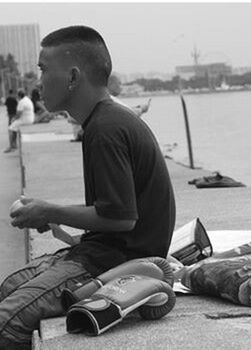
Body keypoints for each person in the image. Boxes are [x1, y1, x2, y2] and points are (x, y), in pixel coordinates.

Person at [0, 25, 176, 349]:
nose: (38, 82)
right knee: (7, 287)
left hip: (117, 264)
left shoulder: (106, 128)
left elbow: (121, 219)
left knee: (6, 322)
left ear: (72, 77)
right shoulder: (102, 121)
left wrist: (49, 210)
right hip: (99, 251)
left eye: (43, 69)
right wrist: (48, 214)